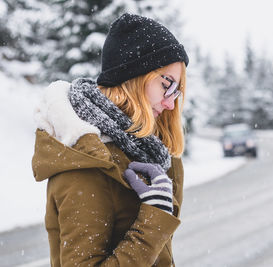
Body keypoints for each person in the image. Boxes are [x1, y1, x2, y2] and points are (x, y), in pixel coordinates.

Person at [32, 13, 189, 266]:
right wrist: (154, 220)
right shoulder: (87, 161)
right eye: (166, 84)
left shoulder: (143, 151)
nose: (171, 103)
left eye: (177, 91)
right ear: (134, 76)